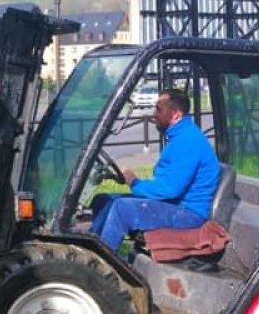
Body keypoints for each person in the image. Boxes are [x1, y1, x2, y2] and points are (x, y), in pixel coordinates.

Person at [90, 90, 221, 252]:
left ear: (175, 115)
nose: (153, 115)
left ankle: (100, 261)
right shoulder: (179, 137)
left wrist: (135, 182)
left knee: (122, 208)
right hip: (175, 205)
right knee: (103, 200)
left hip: (188, 213)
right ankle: (91, 249)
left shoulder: (188, 141)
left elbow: (170, 190)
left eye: (159, 109)